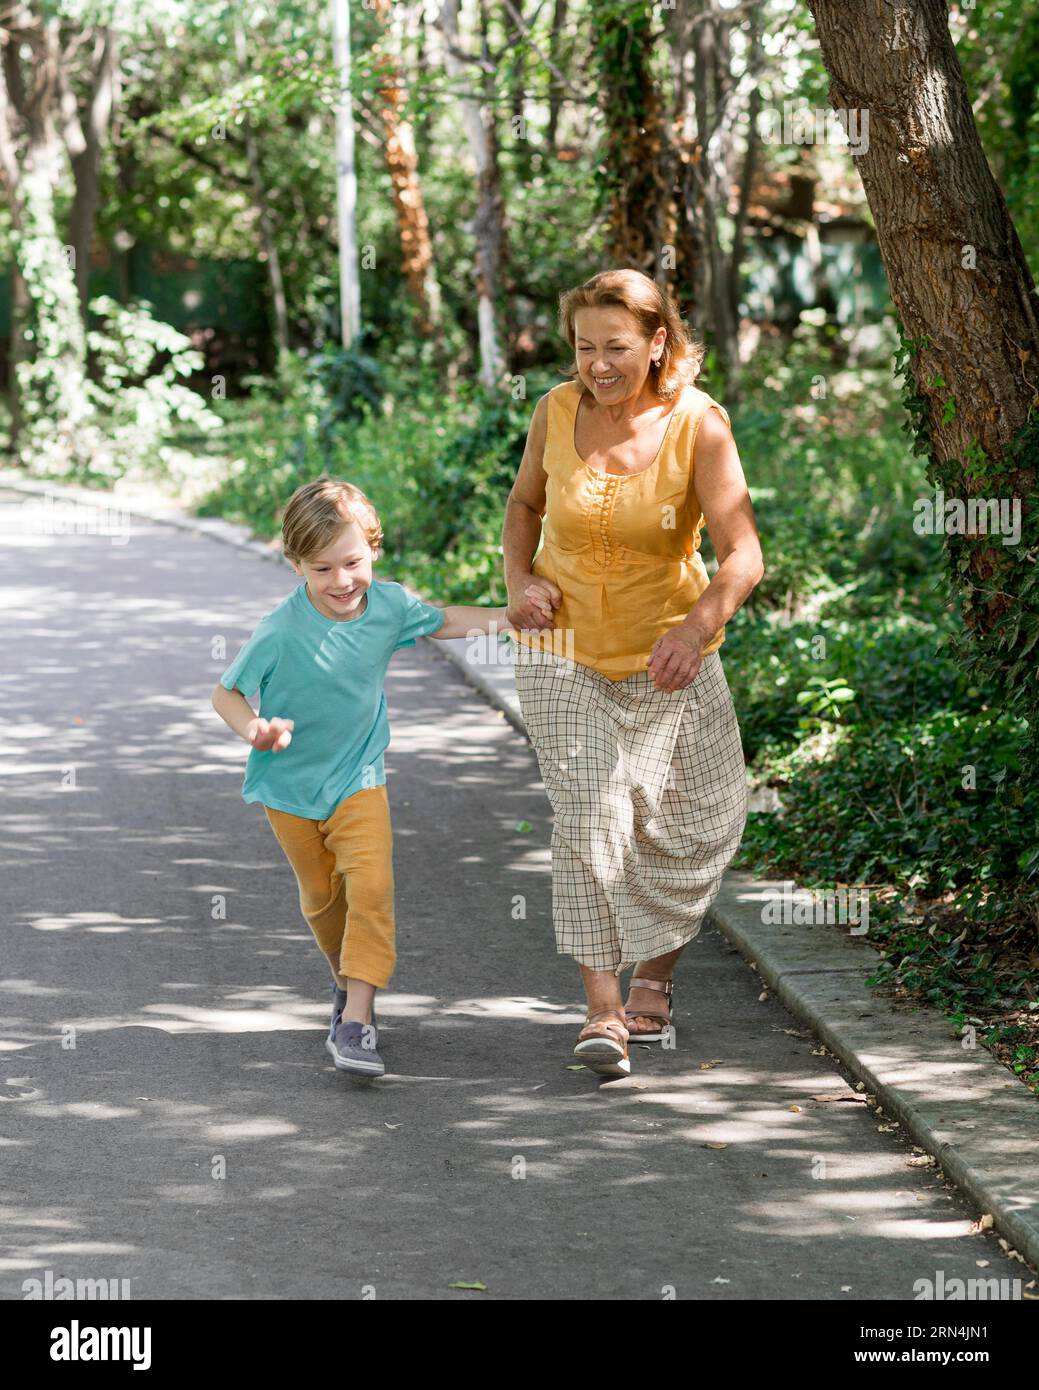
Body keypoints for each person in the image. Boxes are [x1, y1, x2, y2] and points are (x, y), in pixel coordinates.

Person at [503, 268, 764, 1077]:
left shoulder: (698, 425)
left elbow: (742, 553)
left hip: (668, 653)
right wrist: (518, 581)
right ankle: (602, 1013)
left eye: (615, 346)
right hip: (562, 649)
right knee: (590, 813)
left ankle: (656, 974)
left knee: (687, 822)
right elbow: (523, 506)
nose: (597, 364)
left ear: (657, 342)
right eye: (584, 347)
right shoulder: (554, 409)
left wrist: (697, 627)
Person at [212, 477, 509, 1080]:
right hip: (289, 790)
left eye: (352, 562)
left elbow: (443, 620)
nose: (341, 581)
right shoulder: (280, 630)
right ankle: (344, 983)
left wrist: (506, 618)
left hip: (359, 779)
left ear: (373, 548)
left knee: (370, 889)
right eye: (322, 569)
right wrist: (254, 731)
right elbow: (226, 694)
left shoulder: (390, 608)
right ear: (297, 565)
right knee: (324, 901)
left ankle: (357, 1022)